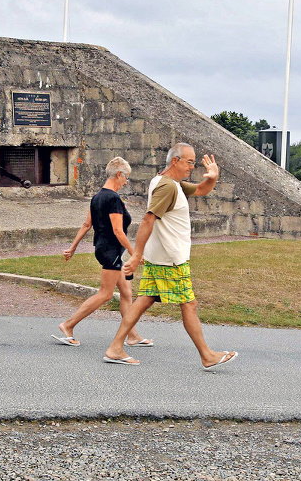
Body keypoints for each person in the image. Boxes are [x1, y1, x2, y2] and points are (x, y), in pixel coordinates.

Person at [102, 143, 238, 369]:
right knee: (189, 304)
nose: (192, 167)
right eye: (189, 162)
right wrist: (136, 255)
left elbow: (202, 189)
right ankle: (207, 355)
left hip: (161, 257)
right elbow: (148, 220)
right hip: (171, 260)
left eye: (194, 162)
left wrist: (213, 176)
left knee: (144, 300)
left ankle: (115, 347)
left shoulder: (169, 183)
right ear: (175, 161)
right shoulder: (168, 187)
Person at [52, 157, 152, 348]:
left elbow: (86, 225)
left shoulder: (97, 196)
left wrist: (72, 248)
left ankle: (132, 336)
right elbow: (117, 231)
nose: (126, 182)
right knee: (105, 294)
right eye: (126, 178)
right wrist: (135, 254)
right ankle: (68, 325)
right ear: (119, 174)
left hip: (105, 249)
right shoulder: (113, 198)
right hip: (111, 251)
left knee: (126, 293)